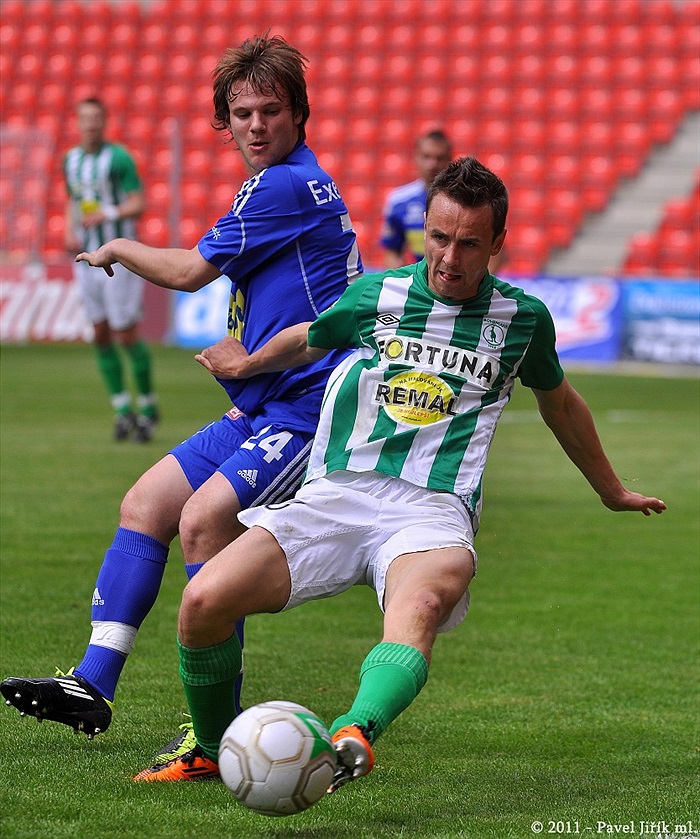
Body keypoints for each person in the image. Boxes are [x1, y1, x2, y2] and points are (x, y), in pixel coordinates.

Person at [128, 156, 666, 786]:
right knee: (202, 602)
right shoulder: (376, 295)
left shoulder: (522, 321)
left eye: (469, 243)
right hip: (334, 494)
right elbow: (308, 337)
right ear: (425, 234)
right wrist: (247, 366)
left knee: (426, 598)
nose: (450, 257)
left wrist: (612, 491)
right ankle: (212, 750)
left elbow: (562, 405)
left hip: (432, 507)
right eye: (440, 238)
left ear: (498, 244)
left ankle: (354, 732)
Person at [0, 36, 363, 760]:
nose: (256, 124)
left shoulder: (284, 185)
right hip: (265, 403)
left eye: (270, 109)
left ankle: (212, 734)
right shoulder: (289, 181)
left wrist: (118, 247)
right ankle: (93, 682)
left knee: (202, 522)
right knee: (146, 503)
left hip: (307, 410)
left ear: (300, 114)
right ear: (224, 124)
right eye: (242, 113)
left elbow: (194, 270)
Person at [64, 97, 159, 443]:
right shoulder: (71, 160)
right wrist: (68, 228)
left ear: (103, 123)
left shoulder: (117, 158)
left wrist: (108, 213)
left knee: (125, 334)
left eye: (95, 118)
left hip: (119, 259)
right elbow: (71, 199)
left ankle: (148, 408)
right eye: (84, 118)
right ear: (78, 122)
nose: (89, 124)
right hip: (85, 259)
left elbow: (139, 202)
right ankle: (122, 409)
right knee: (101, 333)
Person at [380, 129, 453, 269]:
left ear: (450, 161)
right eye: (426, 157)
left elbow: (496, 252)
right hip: (420, 282)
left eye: (440, 158)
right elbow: (391, 251)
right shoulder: (398, 201)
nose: (432, 164)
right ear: (416, 157)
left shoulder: (465, 201)